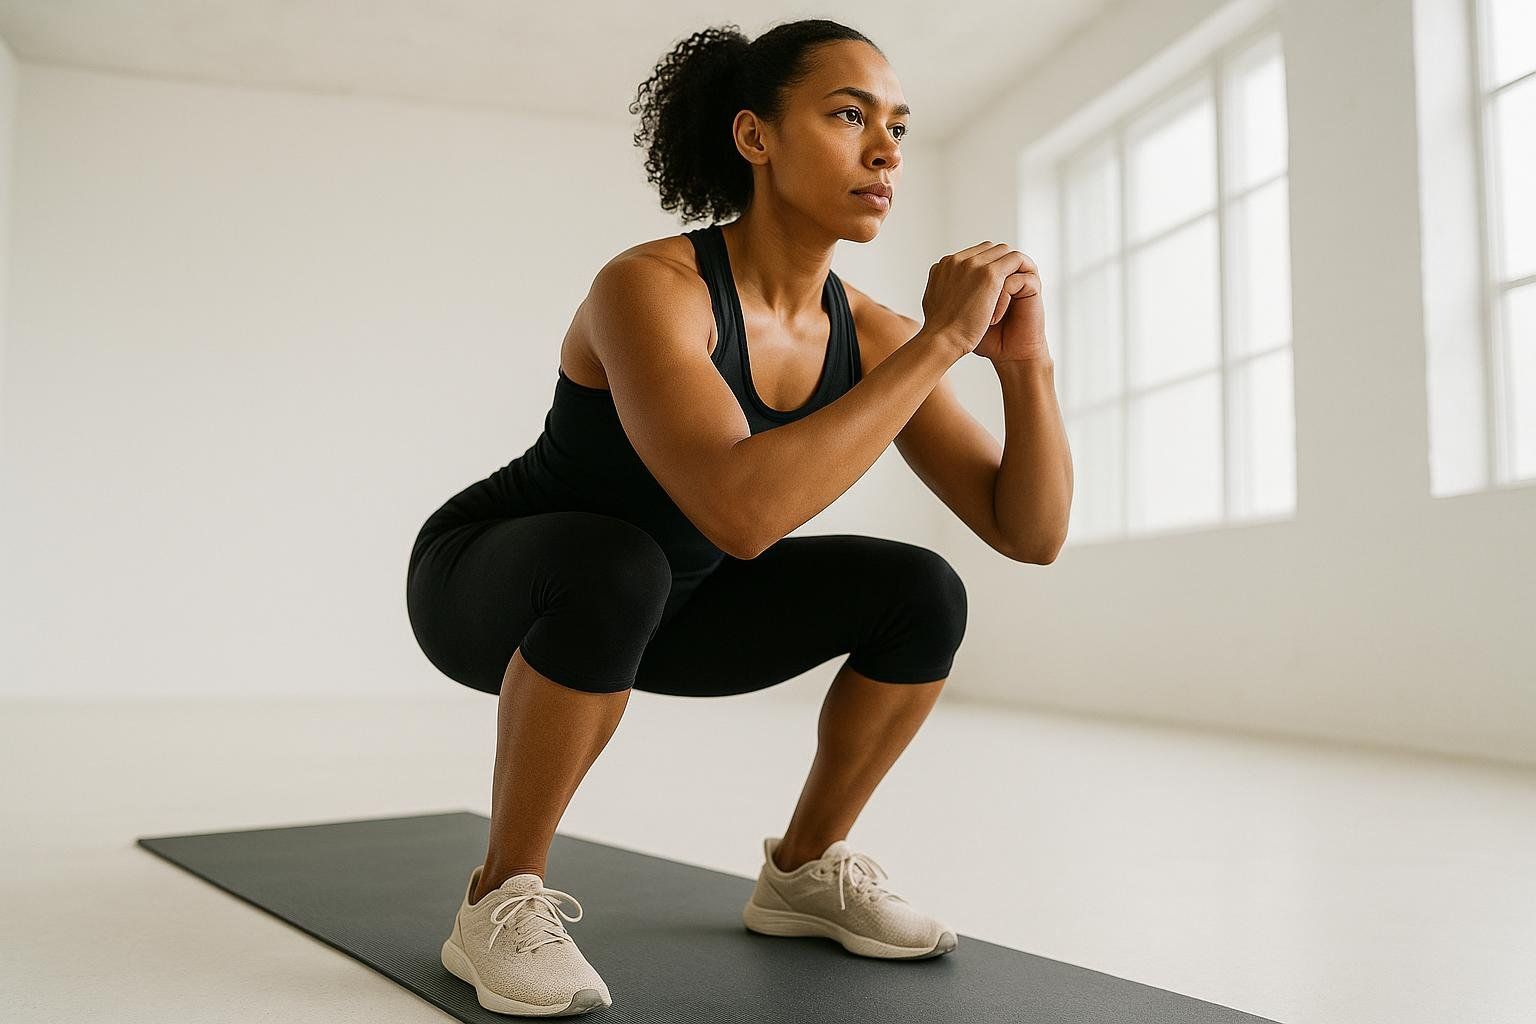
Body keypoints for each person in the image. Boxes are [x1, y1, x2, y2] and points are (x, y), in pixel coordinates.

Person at [408, 17, 1072, 1018]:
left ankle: (804, 871)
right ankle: (497, 896)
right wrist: (940, 341)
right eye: (849, 116)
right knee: (619, 564)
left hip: (674, 601)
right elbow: (742, 509)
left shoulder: (877, 333)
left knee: (919, 590)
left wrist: (1024, 366)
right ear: (756, 138)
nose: (886, 148)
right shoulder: (651, 288)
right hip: (491, 587)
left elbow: (1030, 532)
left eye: (895, 124)